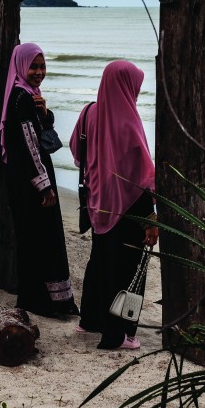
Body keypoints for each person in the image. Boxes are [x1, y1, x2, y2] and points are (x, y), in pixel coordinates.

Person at [71, 61, 158, 350]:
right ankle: (117, 335)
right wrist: (151, 218)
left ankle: (89, 321)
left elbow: (75, 149)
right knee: (128, 270)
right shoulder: (129, 122)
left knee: (100, 262)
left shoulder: (88, 113)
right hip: (128, 206)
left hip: (98, 202)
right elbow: (143, 175)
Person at [0, 43, 79, 318]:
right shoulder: (21, 98)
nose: (39, 72)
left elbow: (42, 134)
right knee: (41, 237)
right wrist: (44, 185)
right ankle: (44, 301)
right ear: (21, 66)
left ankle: (40, 299)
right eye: (33, 66)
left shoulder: (29, 96)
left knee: (36, 236)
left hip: (30, 178)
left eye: (42, 66)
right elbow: (29, 144)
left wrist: (46, 114)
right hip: (32, 181)